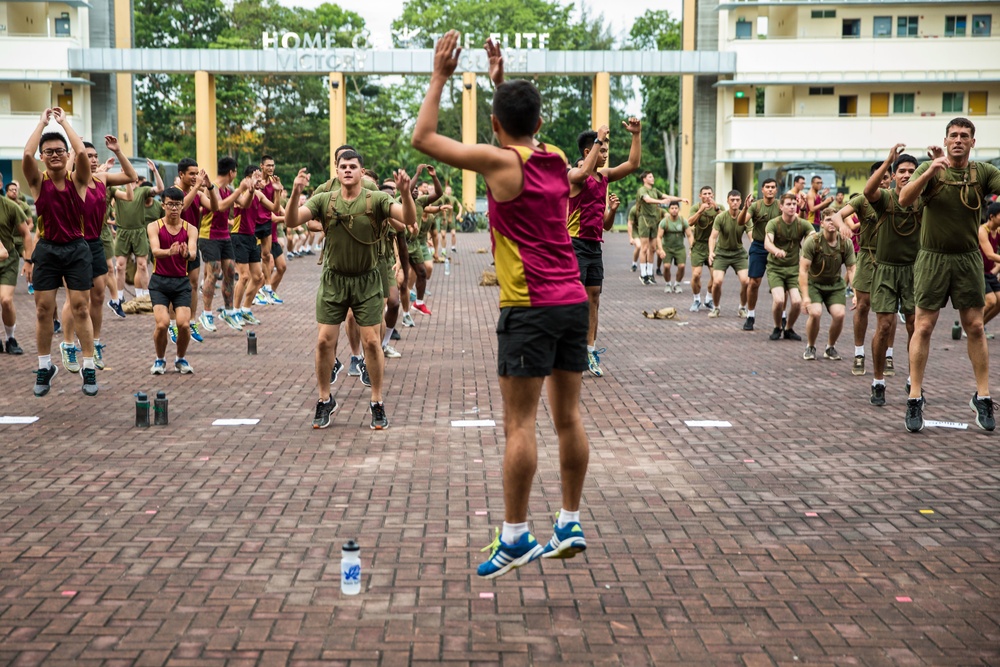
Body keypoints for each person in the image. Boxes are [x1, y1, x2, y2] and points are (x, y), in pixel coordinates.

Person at [414, 33, 592, 578]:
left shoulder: (498, 163)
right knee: (568, 418)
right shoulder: (558, 159)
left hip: (528, 306)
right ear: (539, 123)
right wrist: (500, 84)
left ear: (495, 125)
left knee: (520, 425)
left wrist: (442, 74)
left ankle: (515, 536)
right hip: (572, 301)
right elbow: (524, 131)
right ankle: (569, 521)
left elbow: (423, 138)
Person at [285, 152, 415, 431]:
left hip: (367, 280)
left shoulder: (376, 199)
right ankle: (324, 398)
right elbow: (293, 220)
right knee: (323, 342)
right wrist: (295, 192)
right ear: (336, 170)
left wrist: (405, 192)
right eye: (342, 166)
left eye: (352, 167)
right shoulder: (324, 199)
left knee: (371, 341)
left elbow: (406, 218)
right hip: (334, 280)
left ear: (360, 170)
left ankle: (377, 402)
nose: (347, 170)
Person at [897, 117, 1000, 432]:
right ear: (946, 139)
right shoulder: (930, 169)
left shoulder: (983, 172)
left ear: (972, 141)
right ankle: (915, 398)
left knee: (976, 327)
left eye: (964, 135)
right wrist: (929, 170)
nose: (958, 140)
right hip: (932, 258)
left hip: (968, 259)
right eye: (953, 135)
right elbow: (904, 199)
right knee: (924, 326)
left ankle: (982, 397)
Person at [22, 109, 101, 396]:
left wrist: (64, 122)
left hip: (77, 249)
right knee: (44, 310)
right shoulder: (37, 182)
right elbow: (27, 156)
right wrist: (42, 123)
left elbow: (81, 155)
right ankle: (45, 367)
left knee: (81, 307)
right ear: (43, 157)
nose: (54, 155)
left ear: (66, 155)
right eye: (49, 151)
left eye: (59, 151)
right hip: (48, 250)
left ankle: (88, 366)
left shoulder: (78, 180)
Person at [568, 118, 641, 377]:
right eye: (602, 150)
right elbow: (582, 172)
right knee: (574, 301)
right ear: (589, 152)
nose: (606, 155)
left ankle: (589, 350)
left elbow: (632, 164)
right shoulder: (574, 176)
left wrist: (636, 134)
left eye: (607, 151)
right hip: (573, 245)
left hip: (594, 247)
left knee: (594, 298)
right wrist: (598, 137)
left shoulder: (604, 177)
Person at [58, 137, 137, 372]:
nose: (92, 160)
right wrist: (73, 153)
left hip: (95, 242)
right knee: (74, 298)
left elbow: (131, 177)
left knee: (99, 295)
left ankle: (96, 342)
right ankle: (69, 344)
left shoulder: (101, 178)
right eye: (87, 156)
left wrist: (119, 151)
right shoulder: (67, 180)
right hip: (72, 243)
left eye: (94, 156)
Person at [863, 146, 922, 407]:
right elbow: (867, 192)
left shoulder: (924, 200)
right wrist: (888, 160)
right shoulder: (885, 198)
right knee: (884, 326)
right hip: (885, 269)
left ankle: (913, 379)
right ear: (894, 175)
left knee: (915, 326)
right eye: (902, 171)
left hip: (914, 270)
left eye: (912, 171)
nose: (907, 174)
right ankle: (878, 381)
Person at [830, 163, 892, 377]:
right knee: (863, 306)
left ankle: (889, 355)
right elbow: (838, 215)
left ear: (891, 178)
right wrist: (843, 226)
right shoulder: (861, 200)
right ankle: (859, 353)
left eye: (885, 177)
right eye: (877, 177)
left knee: (888, 311)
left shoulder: (898, 199)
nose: (882, 181)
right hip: (867, 256)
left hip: (890, 259)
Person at [147, 187, 197, 374]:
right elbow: (155, 251)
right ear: (163, 205)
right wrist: (170, 251)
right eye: (170, 204)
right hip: (159, 282)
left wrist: (186, 254)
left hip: (181, 282)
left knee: (184, 324)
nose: (174, 208)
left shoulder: (190, 229)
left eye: (177, 204)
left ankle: (180, 359)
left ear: (182, 206)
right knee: (162, 324)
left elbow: (192, 253)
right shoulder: (154, 226)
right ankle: (160, 359)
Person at [198, 156, 248, 332]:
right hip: (208, 235)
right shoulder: (212, 188)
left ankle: (228, 311)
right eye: (236, 171)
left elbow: (244, 203)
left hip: (224, 236)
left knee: (230, 271)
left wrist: (250, 189)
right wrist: (240, 189)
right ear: (231, 172)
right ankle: (206, 313)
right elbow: (219, 206)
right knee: (214, 272)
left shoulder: (229, 189)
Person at [799, 210, 856, 361]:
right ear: (822, 223)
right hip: (814, 284)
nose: (832, 223)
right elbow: (803, 270)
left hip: (835, 284)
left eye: (834, 220)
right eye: (828, 220)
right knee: (815, 313)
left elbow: (851, 269)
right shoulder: (813, 241)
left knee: (840, 314)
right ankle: (810, 346)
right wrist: (805, 297)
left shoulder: (845, 242)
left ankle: (830, 347)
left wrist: (856, 293)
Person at [763, 193, 814, 341]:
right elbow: (767, 243)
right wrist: (776, 251)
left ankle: (789, 328)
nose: (792, 207)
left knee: (797, 302)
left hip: (794, 269)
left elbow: (813, 237)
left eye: (794, 204)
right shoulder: (774, 223)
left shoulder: (802, 224)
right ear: (781, 206)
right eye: (788, 204)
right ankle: (777, 327)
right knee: (779, 300)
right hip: (776, 268)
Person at [115, 162, 163, 308]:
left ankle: (145, 296)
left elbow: (160, 189)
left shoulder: (143, 191)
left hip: (139, 231)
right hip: (122, 231)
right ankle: (118, 297)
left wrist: (155, 171)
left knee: (142, 265)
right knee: (120, 266)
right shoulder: (118, 191)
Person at [739, 178, 780, 331]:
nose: (770, 189)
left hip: (777, 247)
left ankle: (782, 317)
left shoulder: (780, 205)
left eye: (773, 187)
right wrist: (744, 208)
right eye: (767, 187)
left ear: (776, 190)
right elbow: (740, 222)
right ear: (762, 190)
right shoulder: (755, 206)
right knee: (754, 282)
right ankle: (750, 315)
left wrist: (801, 209)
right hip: (759, 246)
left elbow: (795, 219)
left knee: (782, 283)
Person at [0, 188, 34, 355]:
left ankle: (10, 338)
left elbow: (26, 234)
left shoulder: (10, 207)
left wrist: (28, 260)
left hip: (8, 260)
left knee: (6, 300)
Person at [707, 190, 750, 319]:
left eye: (737, 200)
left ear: (741, 201)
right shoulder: (721, 217)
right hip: (721, 253)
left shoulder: (746, 217)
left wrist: (756, 251)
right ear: (727, 201)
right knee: (717, 281)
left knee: (746, 281)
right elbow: (713, 237)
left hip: (738, 254)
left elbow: (752, 236)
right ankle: (716, 307)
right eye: (732, 200)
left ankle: (742, 308)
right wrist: (711, 252)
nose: (735, 202)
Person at [636, 171, 683, 284]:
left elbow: (667, 197)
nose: (653, 178)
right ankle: (643, 275)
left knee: (652, 248)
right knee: (644, 248)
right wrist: (661, 201)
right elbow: (647, 199)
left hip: (654, 220)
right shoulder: (642, 190)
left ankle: (650, 273)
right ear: (644, 179)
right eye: (650, 177)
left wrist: (681, 199)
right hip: (644, 220)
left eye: (653, 176)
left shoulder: (654, 190)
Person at [687, 186, 720, 311]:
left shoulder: (718, 207)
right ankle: (696, 300)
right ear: (700, 196)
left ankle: (708, 299)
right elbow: (689, 222)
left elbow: (726, 219)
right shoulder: (696, 207)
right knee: (696, 275)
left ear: (713, 195)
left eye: (710, 194)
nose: (707, 196)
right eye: (705, 194)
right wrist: (700, 211)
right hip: (699, 245)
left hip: (713, 246)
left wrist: (716, 208)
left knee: (715, 277)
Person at [656, 201, 688, 294]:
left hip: (680, 248)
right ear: (669, 210)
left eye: (676, 208)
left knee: (682, 266)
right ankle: (668, 284)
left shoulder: (683, 221)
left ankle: (677, 284)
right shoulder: (664, 222)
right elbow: (659, 237)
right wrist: (661, 249)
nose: (674, 210)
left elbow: (690, 235)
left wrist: (691, 247)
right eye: (672, 208)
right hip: (667, 248)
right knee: (666, 266)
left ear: (679, 209)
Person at [979, 202, 1000, 329]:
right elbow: (990, 255)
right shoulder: (982, 230)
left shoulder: (997, 231)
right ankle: (972, 326)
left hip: (989, 273)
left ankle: (979, 328)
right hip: (978, 272)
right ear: (992, 216)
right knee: (991, 301)